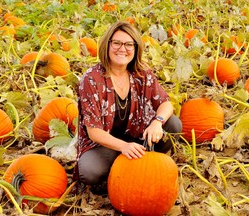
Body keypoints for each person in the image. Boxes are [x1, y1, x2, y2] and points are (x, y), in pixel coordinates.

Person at [73, 21, 182, 195]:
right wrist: (123, 147)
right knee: (90, 171)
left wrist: (157, 123)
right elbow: (94, 132)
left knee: (173, 125)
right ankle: (120, 170)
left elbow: (165, 103)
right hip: (104, 144)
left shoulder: (141, 73)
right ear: (107, 45)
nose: (122, 49)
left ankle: (142, 164)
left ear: (135, 48)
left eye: (128, 44)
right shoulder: (92, 79)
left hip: (137, 136)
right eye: (116, 43)